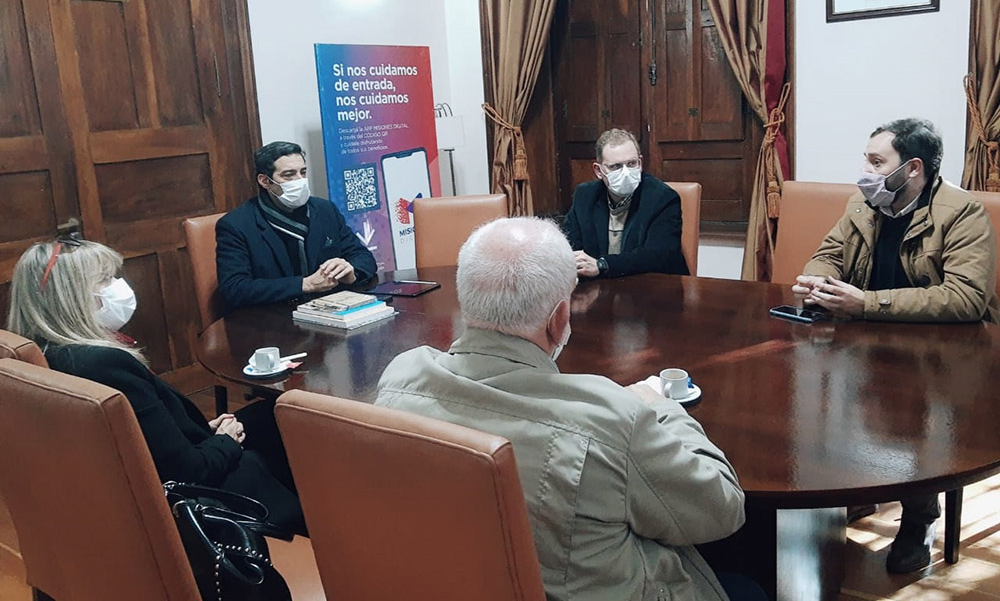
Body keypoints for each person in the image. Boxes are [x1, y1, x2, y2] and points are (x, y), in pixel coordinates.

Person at [375, 217, 752, 601]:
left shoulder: (401, 377)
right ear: (559, 320)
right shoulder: (609, 419)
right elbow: (722, 509)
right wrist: (663, 408)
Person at [792, 117, 999, 574]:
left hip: (941, 351)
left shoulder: (962, 212)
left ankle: (920, 516)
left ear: (912, 168)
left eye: (876, 162)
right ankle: (856, 491)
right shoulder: (863, 204)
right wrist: (818, 280)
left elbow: (966, 298)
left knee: (916, 424)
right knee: (833, 403)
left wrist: (867, 302)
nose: (865, 172)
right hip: (868, 336)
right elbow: (828, 254)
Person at [7, 239, 306, 535]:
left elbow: (143, 437)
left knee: (269, 414)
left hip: (129, 484)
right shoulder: (103, 365)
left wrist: (201, 431)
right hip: (199, 500)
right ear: (72, 297)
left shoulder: (45, 358)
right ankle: (315, 527)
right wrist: (225, 442)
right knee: (288, 421)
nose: (118, 286)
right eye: (106, 279)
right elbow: (186, 471)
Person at [216, 141, 377, 312]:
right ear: (265, 181)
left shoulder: (325, 210)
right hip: (273, 317)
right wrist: (304, 285)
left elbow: (363, 257)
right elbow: (234, 289)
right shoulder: (236, 225)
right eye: (289, 175)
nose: (300, 180)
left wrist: (351, 272)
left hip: (329, 310)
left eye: (303, 172)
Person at [563, 128, 689, 278]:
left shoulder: (662, 198)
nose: (626, 172)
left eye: (631, 163)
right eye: (615, 166)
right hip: (599, 286)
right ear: (598, 170)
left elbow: (659, 255)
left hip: (653, 284)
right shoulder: (585, 195)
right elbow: (568, 244)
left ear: (640, 162)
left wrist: (602, 265)